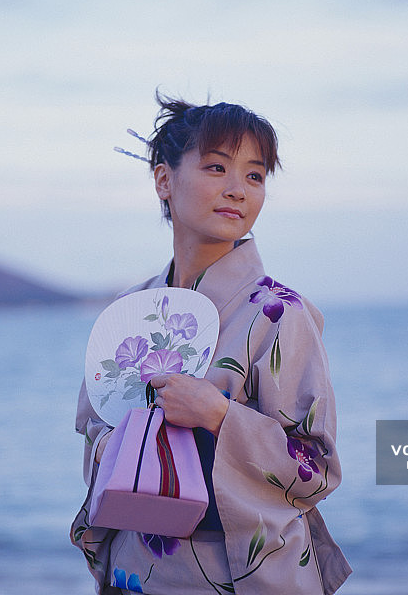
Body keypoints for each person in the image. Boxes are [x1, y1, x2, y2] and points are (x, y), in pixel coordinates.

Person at [71, 92, 351, 594]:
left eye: (255, 175)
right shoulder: (130, 311)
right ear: (164, 179)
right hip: (137, 572)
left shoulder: (280, 313)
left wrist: (219, 416)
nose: (238, 190)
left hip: (243, 577)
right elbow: (93, 435)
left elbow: (318, 470)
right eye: (217, 168)